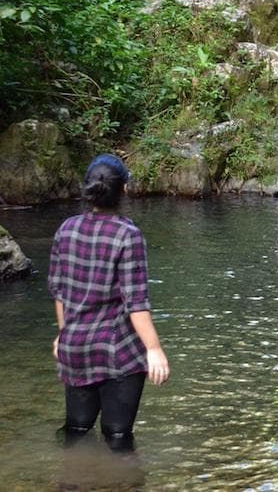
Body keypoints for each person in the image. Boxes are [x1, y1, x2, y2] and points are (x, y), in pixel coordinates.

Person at [48, 154, 170, 452]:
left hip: (74, 347)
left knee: (76, 430)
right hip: (117, 353)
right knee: (117, 436)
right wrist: (154, 349)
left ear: (88, 188)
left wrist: (63, 334)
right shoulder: (128, 235)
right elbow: (135, 302)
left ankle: (68, 473)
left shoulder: (66, 229)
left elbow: (59, 291)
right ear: (124, 189)